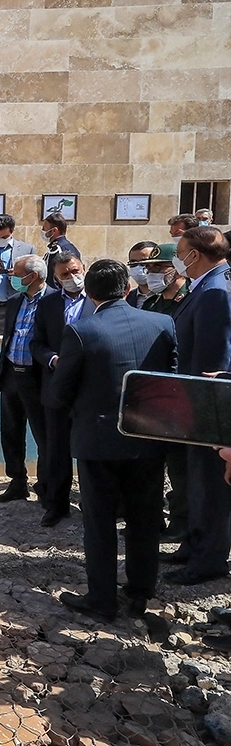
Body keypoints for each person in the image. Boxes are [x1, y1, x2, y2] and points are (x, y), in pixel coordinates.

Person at [49, 259, 178, 621]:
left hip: (98, 441)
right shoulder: (162, 323)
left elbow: (60, 392)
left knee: (100, 521)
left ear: (88, 293)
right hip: (149, 437)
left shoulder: (81, 330)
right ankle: (139, 593)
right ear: (126, 289)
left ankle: (102, 599)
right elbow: (172, 378)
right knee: (145, 518)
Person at [162, 227, 231, 585]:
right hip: (192, 400)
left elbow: (214, 355)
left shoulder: (216, 290)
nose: (178, 258)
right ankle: (192, 545)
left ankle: (208, 560)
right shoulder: (203, 285)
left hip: (206, 404)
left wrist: (204, 404)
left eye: (180, 251)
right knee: (195, 481)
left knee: (209, 485)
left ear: (196, 255)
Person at [129, 242, 191, 541]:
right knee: (151, 464)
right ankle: (153, 519)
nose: (151, 273)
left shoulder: (188, 300)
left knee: (180, 467)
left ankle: (181, 521)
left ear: (176, 268)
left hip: (180, 394)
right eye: (148, 268)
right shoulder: (152, 304)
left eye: (158, 267)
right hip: (153, 394)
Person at [31, 254, 94, 526]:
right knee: (56, 450)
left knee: (93, 451)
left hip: (91, 388)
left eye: (75, 271)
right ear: (55, 278)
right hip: (56, 388)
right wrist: (52, 359)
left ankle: (96, 505)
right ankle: (57, 504)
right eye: (64, 275)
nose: (72, 278)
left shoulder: (98, 301)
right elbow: (37, 343)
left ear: (84, 268)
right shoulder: (47, 305)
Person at [0, 255, 51, 518]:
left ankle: (46, 486)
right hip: (12, 375)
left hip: (37, 378)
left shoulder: (53, 301)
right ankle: (17, 482)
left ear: (33, 276)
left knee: (44, 435)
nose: (11, 278)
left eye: (16, 274)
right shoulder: (16, 300)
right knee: (11, 431)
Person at [0, 214, 36, 336]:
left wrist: (17, 275)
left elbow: (34, 279)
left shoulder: (27, 250)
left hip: (12, 307)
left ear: (12, 231)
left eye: (4, 237)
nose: (0, 239)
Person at [41, 212, 81, 290]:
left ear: (54, 231)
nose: (43, 231)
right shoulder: (56, 247)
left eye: (44, 228)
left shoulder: (60, 249)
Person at [126, 241, 157, 308]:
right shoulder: (127, 299)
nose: (138, 267)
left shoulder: (168, 296)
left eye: (144, 262)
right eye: (133, 263)